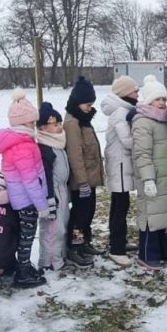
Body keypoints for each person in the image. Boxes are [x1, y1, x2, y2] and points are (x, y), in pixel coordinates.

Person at [0, 89, 49, 288]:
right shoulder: (22, 146)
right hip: (27, 201)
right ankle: (22, 272)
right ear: (23, 123)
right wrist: (41, 205)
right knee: (27, 236)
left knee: (26, 234)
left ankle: (24, 265)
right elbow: (30, 179)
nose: (34, 126)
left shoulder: (21, 141)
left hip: (23, 199)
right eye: (32, 122)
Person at [132, 76, 167, 270]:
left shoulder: (165, 121)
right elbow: (142, 153)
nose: (161, 103)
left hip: (165, 176)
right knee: (150, 216)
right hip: (152, 177)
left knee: (163, 216)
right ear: (148, 100)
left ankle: (161, 250)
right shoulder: (142, 122)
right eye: (157, 99)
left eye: (164, 99)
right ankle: (147, 254)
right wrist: (148, 178)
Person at [63, 76, 104, 266]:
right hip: (82, 181)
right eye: (87, 104)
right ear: (78, 102)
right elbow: (75, 155)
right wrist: (82, 181)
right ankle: (75, 246)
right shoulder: (73, 123)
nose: (90, 107)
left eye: (91, 104)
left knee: (89, 213)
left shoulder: (83, 119)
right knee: (80, 215)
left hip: (90, 178)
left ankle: (84, 241)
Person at [101, 75, 139, 266]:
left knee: (119, 204)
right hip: (120, 165)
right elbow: (128, 141)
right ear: (125, 93)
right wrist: (145, 138)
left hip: (120, 164)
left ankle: (120, 241)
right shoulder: (120, 113)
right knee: (120, 206)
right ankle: (116, 249)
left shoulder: (123, 110)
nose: (137, 93)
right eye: (135, 90)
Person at [36, 102, 71, 271]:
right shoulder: (44, 148)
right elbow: (45, 177)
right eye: (55, 124)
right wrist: (49, 197)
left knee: (62, 227)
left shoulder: (58, 145)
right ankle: (49, 262)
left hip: (62, 191)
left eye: (59, 123)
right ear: (42, 128)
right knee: (52, 230)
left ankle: (59, 256)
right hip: (53, 195)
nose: (59, 127)